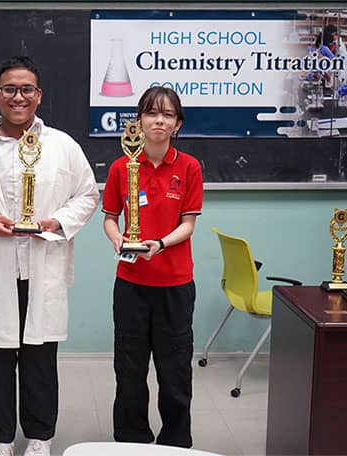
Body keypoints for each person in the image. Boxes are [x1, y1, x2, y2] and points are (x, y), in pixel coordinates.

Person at [0, 56, 99, 456]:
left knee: (41, 362)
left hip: (42, 267)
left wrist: (56, 222)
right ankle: (0, 438)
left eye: (27, 89)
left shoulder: (62, 145)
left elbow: (88, 194)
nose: (18, 96)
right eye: (9, 89)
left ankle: (40, 437)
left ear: (39, 96)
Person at [102, 87, 203, 448]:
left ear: (177, 124)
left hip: (175, 285)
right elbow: (111, 218)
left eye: (168, 114)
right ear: (139, 120)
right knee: (129, 370)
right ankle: (131, 441)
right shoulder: (121, 167)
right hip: (130, 284)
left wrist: (159, 244)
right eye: (151, 113)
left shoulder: (189, 167)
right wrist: (117, 237)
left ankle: (175, 443)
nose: (159, 120)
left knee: (174, 372)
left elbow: (188, 224)